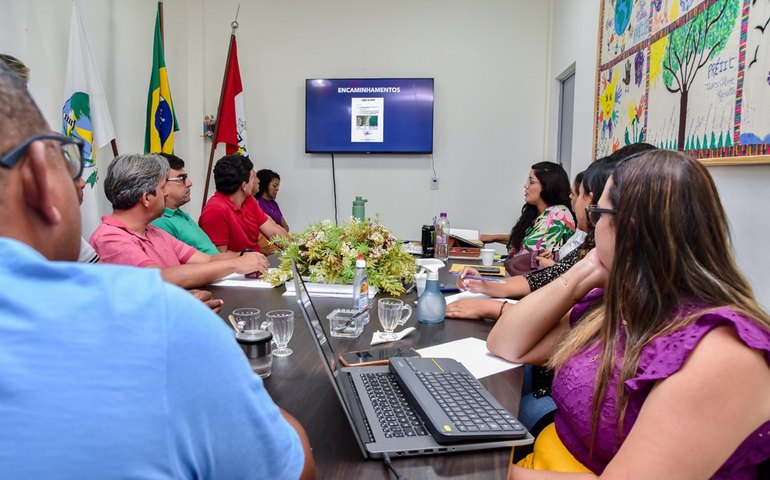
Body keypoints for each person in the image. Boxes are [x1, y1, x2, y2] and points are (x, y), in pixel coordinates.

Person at [0, 62, 314, 479]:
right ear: (41, 176)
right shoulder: (156, 320)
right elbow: (292, 467)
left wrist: (237, 262)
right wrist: (229, 379)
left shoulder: (160, 234)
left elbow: (199, 260)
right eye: (71, 160)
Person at [497, 150, 770, 479]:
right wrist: (584, 270)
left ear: (628, 228)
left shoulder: (720, 352)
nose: (592, 224)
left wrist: (482, 471)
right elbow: (507, 343)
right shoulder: (622, 304)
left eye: (598, 213)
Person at [90, 153, 270, 289]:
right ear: (146, 198)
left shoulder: (154, 232)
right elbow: (158, 277)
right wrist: (235, 264)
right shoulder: (109, 237)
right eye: (162, 189)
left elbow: (207, 260)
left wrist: (246, 256)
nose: (166, 193)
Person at [480, 161, 575, 274]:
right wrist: (494, 238)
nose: (526, 185)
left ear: (547, 185)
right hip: (515, 275)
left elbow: (535, 251)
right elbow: (525, 241)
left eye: (531, 181)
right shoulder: (536, 213)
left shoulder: (559, 214)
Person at [199, 154, 288, 253]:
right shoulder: (215, 210)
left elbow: (273, 231)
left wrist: (298, 252)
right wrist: (250, 257)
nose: (257, 181)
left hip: (258, 264)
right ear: (244, 186)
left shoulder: (249, 200)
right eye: (253, 178)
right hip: (240, 267)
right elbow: (218, 255)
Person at [150, 152, 219, 254]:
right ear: (161, 184)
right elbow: (178, 267)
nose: (189, 183)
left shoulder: (178, 213)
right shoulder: (158, 221)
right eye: (181, 178)